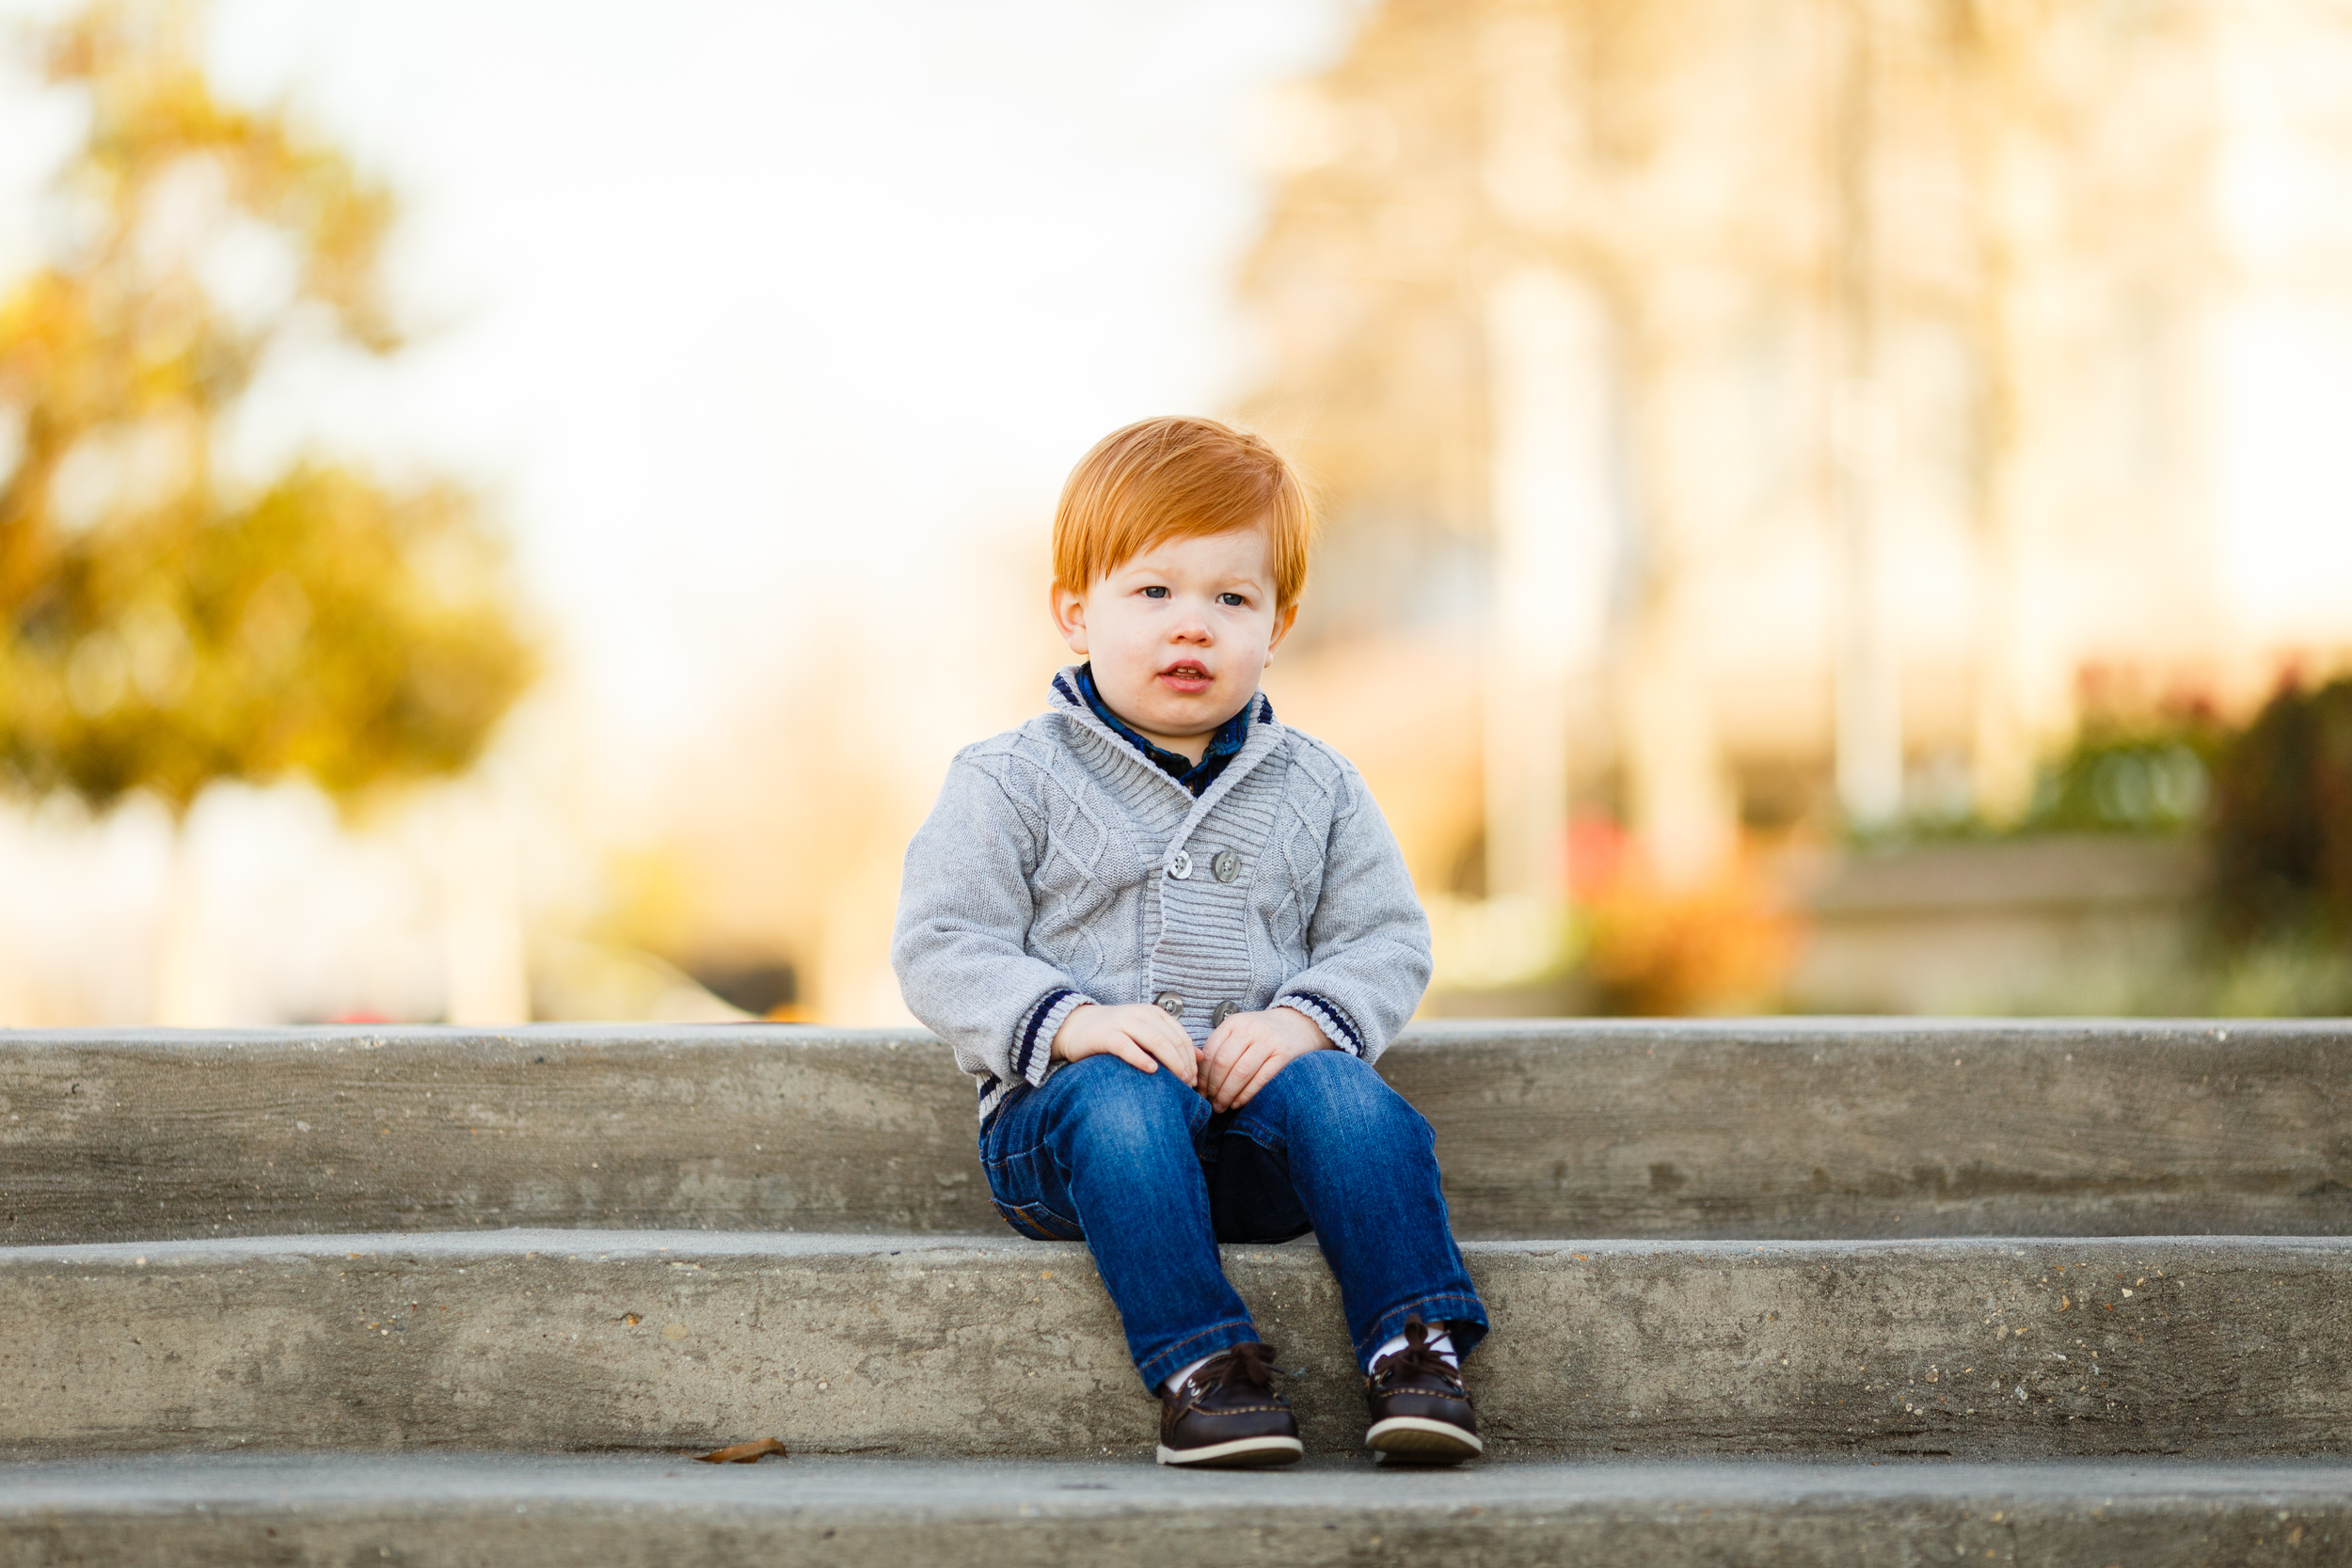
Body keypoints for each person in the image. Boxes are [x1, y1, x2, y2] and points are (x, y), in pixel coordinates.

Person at [891, 415, 1486, 1468]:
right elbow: (942, 941)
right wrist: (1069, 1022)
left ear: (1278, 621)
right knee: (1122, 1101)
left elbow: (1385, 938)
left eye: (1230, 598)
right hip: (1070, 1140)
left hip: (1257, 1147)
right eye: (1153, 592)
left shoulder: (1319, 783)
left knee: (1350, 1095)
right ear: (1077, 612)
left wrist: (1308, 1019)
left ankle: (1415, 1344)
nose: (1192, 626)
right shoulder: (1007, 778)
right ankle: (1204, 1368)